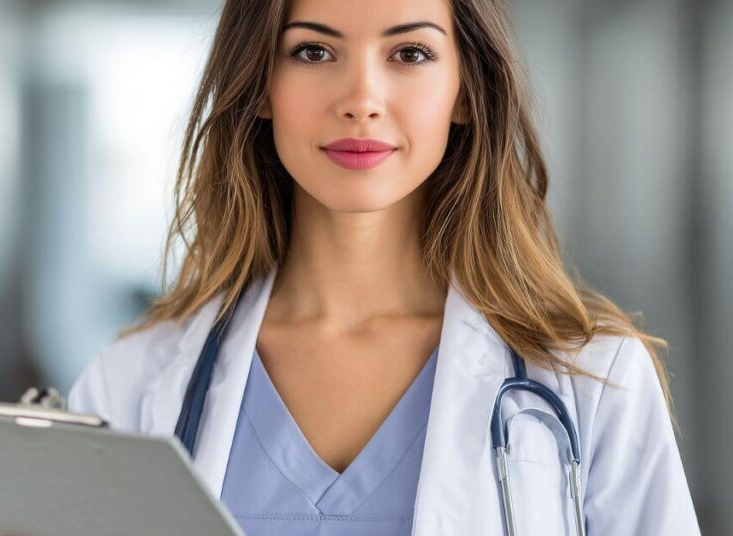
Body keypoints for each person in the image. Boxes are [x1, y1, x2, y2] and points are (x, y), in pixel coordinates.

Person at [67, 0, 701, 533]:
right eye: (314, 51)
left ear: (465, 91)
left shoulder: (595, 380)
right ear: (260, 84)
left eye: (410, 53)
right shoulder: (128, 388)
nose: (361, 100)